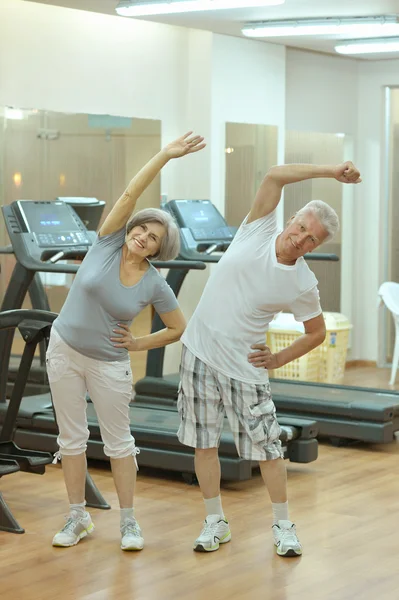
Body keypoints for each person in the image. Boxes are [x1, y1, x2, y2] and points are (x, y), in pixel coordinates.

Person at [177, 161, 361, 557]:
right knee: (204, 445)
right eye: (301, 227)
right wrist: (332, 171)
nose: (300, 238)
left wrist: (277, 358)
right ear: (292, 218)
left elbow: (316, 332)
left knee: (269, 449)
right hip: (198, 353)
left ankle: (283, 526)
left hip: (245, 368)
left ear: (316, 247)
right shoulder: (258, 227)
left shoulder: (302, 282)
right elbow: (276, 174)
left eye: (311, 239)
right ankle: (215, 521)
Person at [47, 131, 205, 551]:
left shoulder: (154, 284)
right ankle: (77, 516)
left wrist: (138, 345)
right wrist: (165, 156)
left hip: (108, 363)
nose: (142, 236)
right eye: (142, 229)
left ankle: (129, 522)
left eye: (153, 237)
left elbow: (178, 328)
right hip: (63, 349)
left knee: (119, 442)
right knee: (71, 438)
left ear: (158, 249)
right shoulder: (107, 240)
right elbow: (132, 192)